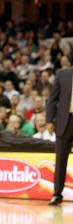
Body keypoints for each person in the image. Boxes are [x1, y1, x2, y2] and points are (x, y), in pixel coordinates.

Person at [46, 64, 73, 206]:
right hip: (65, 122)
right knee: (61, 160)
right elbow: (52, 99)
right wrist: (49, 120)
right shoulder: (62, 74)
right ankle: (57, 194)